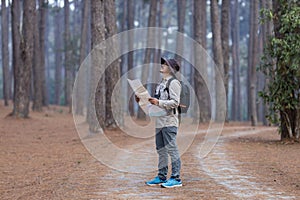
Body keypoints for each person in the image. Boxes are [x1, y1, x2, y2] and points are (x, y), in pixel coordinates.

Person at [135, 57, 182, 188]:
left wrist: (158, 102)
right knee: (161, 150)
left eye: (165, 64)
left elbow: (175, 102)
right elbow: (154, 105)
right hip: (159, 122)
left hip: (169, 122)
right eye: (162, 63)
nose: (161, 65)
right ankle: (162, 177)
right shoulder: (161, 83)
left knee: (172, 149)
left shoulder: (173, 83)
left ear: (171, 69)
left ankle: (176, 178)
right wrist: (141, 101)